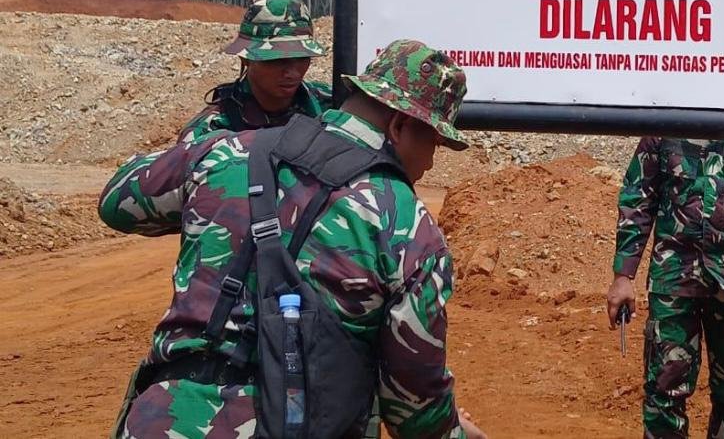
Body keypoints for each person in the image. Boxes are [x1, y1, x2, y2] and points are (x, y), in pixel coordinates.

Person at [99, 39, 487, 439]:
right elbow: (413, 410)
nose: (430, 162)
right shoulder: (408, 228)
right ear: (400, 125)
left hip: (159, 421)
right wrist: (455, 431)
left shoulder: (229, 150)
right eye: (435, 143)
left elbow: (117, 201)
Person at [606, 137, 724, 438]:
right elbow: (638, 200)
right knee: (664, 393)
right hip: (674, 281)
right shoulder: (663, 130)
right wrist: (623, 275)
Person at [179, 0, 332, 145]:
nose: (292, 72)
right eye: (277, 60)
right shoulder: (209, 132)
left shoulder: (331, 105)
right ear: (246, 59)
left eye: (301, 58)